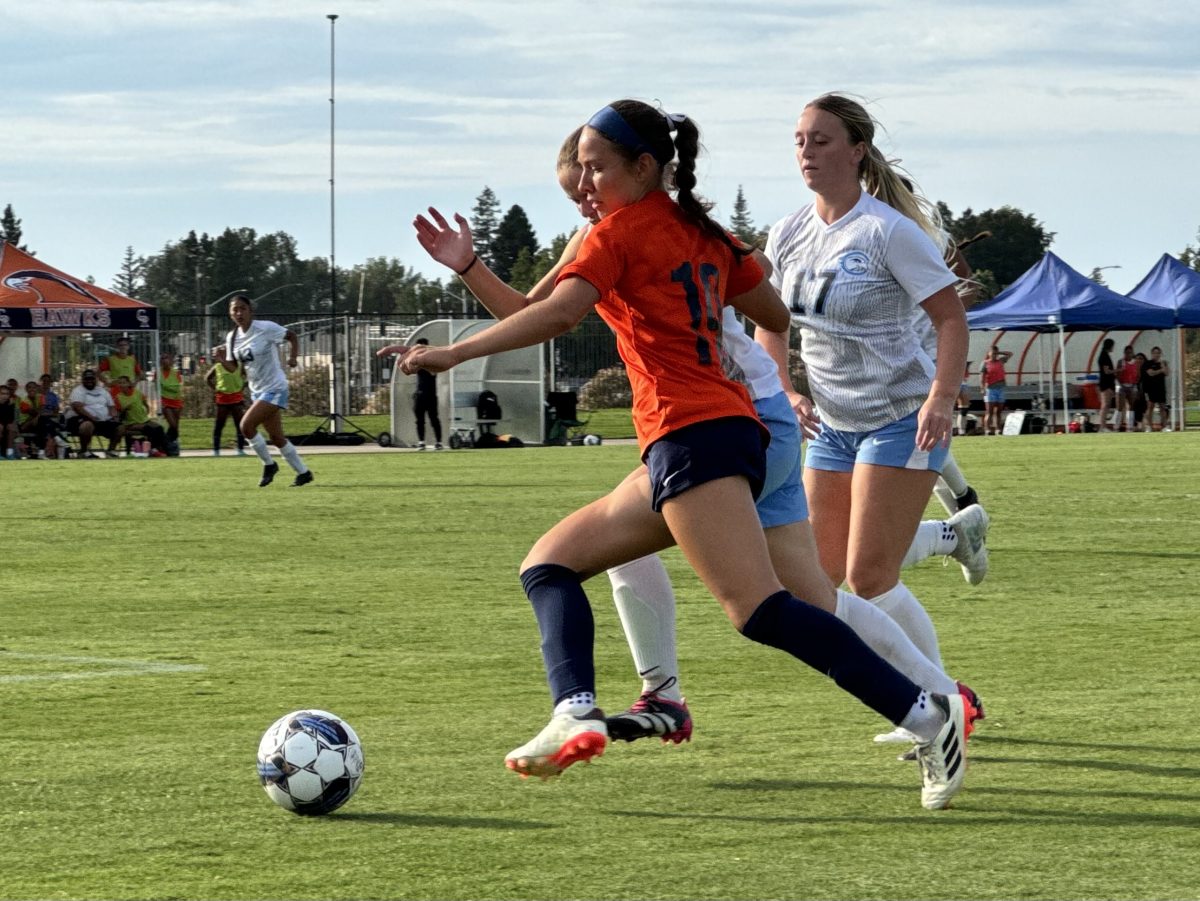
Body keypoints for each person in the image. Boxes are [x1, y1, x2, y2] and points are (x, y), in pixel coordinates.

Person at [396, 99, 967, 810]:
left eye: (596, 167)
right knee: (550, 564)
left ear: (642, 168)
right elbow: (772, 313)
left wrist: (452, 352)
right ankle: (580, 707)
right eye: (579, 168)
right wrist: (473, 267)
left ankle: (926, 713)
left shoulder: (616, 237)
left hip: (695, 436)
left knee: (760, 610)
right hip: (727, 433)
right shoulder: (699, 230)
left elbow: (560, 314)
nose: (585, 181)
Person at [753, 93, 975, 751]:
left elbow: (951, 319)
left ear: (856, 150)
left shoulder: (888, 232)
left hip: (902, 419)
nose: (806, 151)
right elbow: (770, 319)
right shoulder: (787, 232)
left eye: (821, 140)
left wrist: (941, 397)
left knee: (869, 578)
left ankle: (941, 703)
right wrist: (784, 387)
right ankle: (940, 692)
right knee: (817, 585)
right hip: (834, 426)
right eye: (798, 139)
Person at [218, 293, 313, 487]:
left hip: (275, 387)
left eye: (242, 308)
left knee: (246, 426)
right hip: (257, 391)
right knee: (277, 437)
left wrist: (294, 358)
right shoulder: (232, 337)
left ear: (251, 311)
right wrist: (220, 358)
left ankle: (269, 465)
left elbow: (292, 336)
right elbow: (234, 368)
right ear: (230, 314)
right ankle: (304, 472)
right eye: (234, 310)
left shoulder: (265, 328)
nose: (239, 313)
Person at [66, 369, 120, 458]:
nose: (89, 381)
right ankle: (83, 451)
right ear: (83, 380)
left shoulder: (103, 391)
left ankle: (111, 450)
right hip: (80, 419)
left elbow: (111, 406)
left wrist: (114, 416)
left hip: (102, 420)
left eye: (91, 379)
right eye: (87, 379)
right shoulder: (78, 391)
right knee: (87, 425)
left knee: (120, 427)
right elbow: (77, 408)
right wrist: (92, 417)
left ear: (96, 379)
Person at [113, 375, 169, 456]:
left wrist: (146, 411)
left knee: (159, 428)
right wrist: (124, 410)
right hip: (130, 423)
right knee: (149, 429)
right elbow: (119, 417)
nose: (121, 385)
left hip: (143, 419)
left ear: (129, 384)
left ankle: (166, 451)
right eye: (120, 383)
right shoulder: (118, 397)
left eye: (124, 383)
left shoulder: (137, 393)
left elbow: (146, 404)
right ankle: (152, 450)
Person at [206, 356, 248, 456]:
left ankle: (240, 449)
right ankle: (216, 450)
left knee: (239, 424)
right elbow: (208, 378)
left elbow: (248, 377)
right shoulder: (218, 366)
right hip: (223, 399)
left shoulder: (239, 366)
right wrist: (215, 389)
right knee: (219, 424)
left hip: (236, 398)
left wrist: (242, 386)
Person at [410, 338, 443, 450]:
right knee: (419, 420)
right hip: (420, 395)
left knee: (434, 418)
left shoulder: (432, 362)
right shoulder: (417, 362)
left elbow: (433, 372)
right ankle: (421, 442)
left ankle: (438, 442)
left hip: (431, 395)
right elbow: (411, 369)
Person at [980, 346, 1013, 435]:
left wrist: (1000, 352)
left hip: (1000, 388)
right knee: (989, 411)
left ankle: (998, 428)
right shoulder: (985, 363)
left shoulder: (1000, 361)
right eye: (993, 353)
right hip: (990, 388)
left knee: (998, 411)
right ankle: (988, 429)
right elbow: (982, 376)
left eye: (996, 353)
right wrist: (982, 388)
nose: (994, 355)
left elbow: (1010, 354)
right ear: (989, 353)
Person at [156, 351, 184, 455]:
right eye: (162, 358)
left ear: (171, 360)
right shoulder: (158, 373)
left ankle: (171, 445)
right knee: (173, 425)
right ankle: (168, 443)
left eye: (166, 358)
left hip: (176, 401)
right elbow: (156, 389)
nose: (164, 360)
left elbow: (179, 387)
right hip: (165, 402)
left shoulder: (176, 373)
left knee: (176, 426)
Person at [1141, 346, 1169, 431]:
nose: (1156, 355)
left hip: (1161, 388)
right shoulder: (1147, 363)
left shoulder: (1163, 363)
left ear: (1160, 354)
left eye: (1158, 353)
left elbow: (1167, 372)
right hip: (1151, 389)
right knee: (1150, 407)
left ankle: (1164, 426)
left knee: (1162, 407)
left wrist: (1163, 366)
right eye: (1155, 353)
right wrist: (1161, 370)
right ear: (1152, 354)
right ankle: (1149, 426)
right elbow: (1151, 373)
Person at [1115, 344, 1140, 432]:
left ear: (1132, 353)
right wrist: (1121, 385)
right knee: (1120, 407)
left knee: (1131, 406)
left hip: (1131, 385)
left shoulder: (1136, 363)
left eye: (1130, 353)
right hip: (1121, 386)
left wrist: (1134, 384)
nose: (1128, 354)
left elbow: (1138, 375)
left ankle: (1129, 426)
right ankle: (1117, 426)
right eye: (1126, 353)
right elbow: (1117, 375)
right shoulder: (1120, 362)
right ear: (1124, 353)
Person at [1096, 338, 1116, 431]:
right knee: (1105, 404)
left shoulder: (1105, 355)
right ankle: (1102, 426)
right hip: (1106, 383)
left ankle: (1103, 425)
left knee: (1107, 405)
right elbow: (1106, 371)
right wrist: (1117, 371)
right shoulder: (1104, 356)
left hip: (1108, 383)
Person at [0, 383, 18, 459]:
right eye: (2, 394)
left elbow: (10, 419)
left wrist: (8, 406)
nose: (5, 396)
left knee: (11, 426)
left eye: (7, 394)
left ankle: (9, 453)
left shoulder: (10, 404)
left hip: (5, 426)